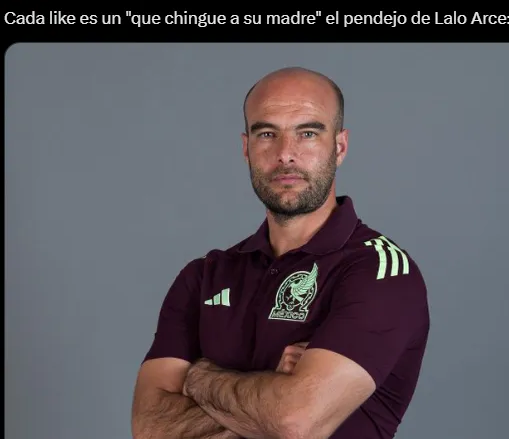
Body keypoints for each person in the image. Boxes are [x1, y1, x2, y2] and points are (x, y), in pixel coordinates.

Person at [131, 66, 430, 439]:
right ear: (246, 148)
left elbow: (295, 423)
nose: (286, 154)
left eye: (307, 133)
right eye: (267, 134)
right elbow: (150, 426)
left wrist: (199, 378)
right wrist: (272, 392)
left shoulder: (381, 271)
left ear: (339, 147)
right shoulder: (204, 276)